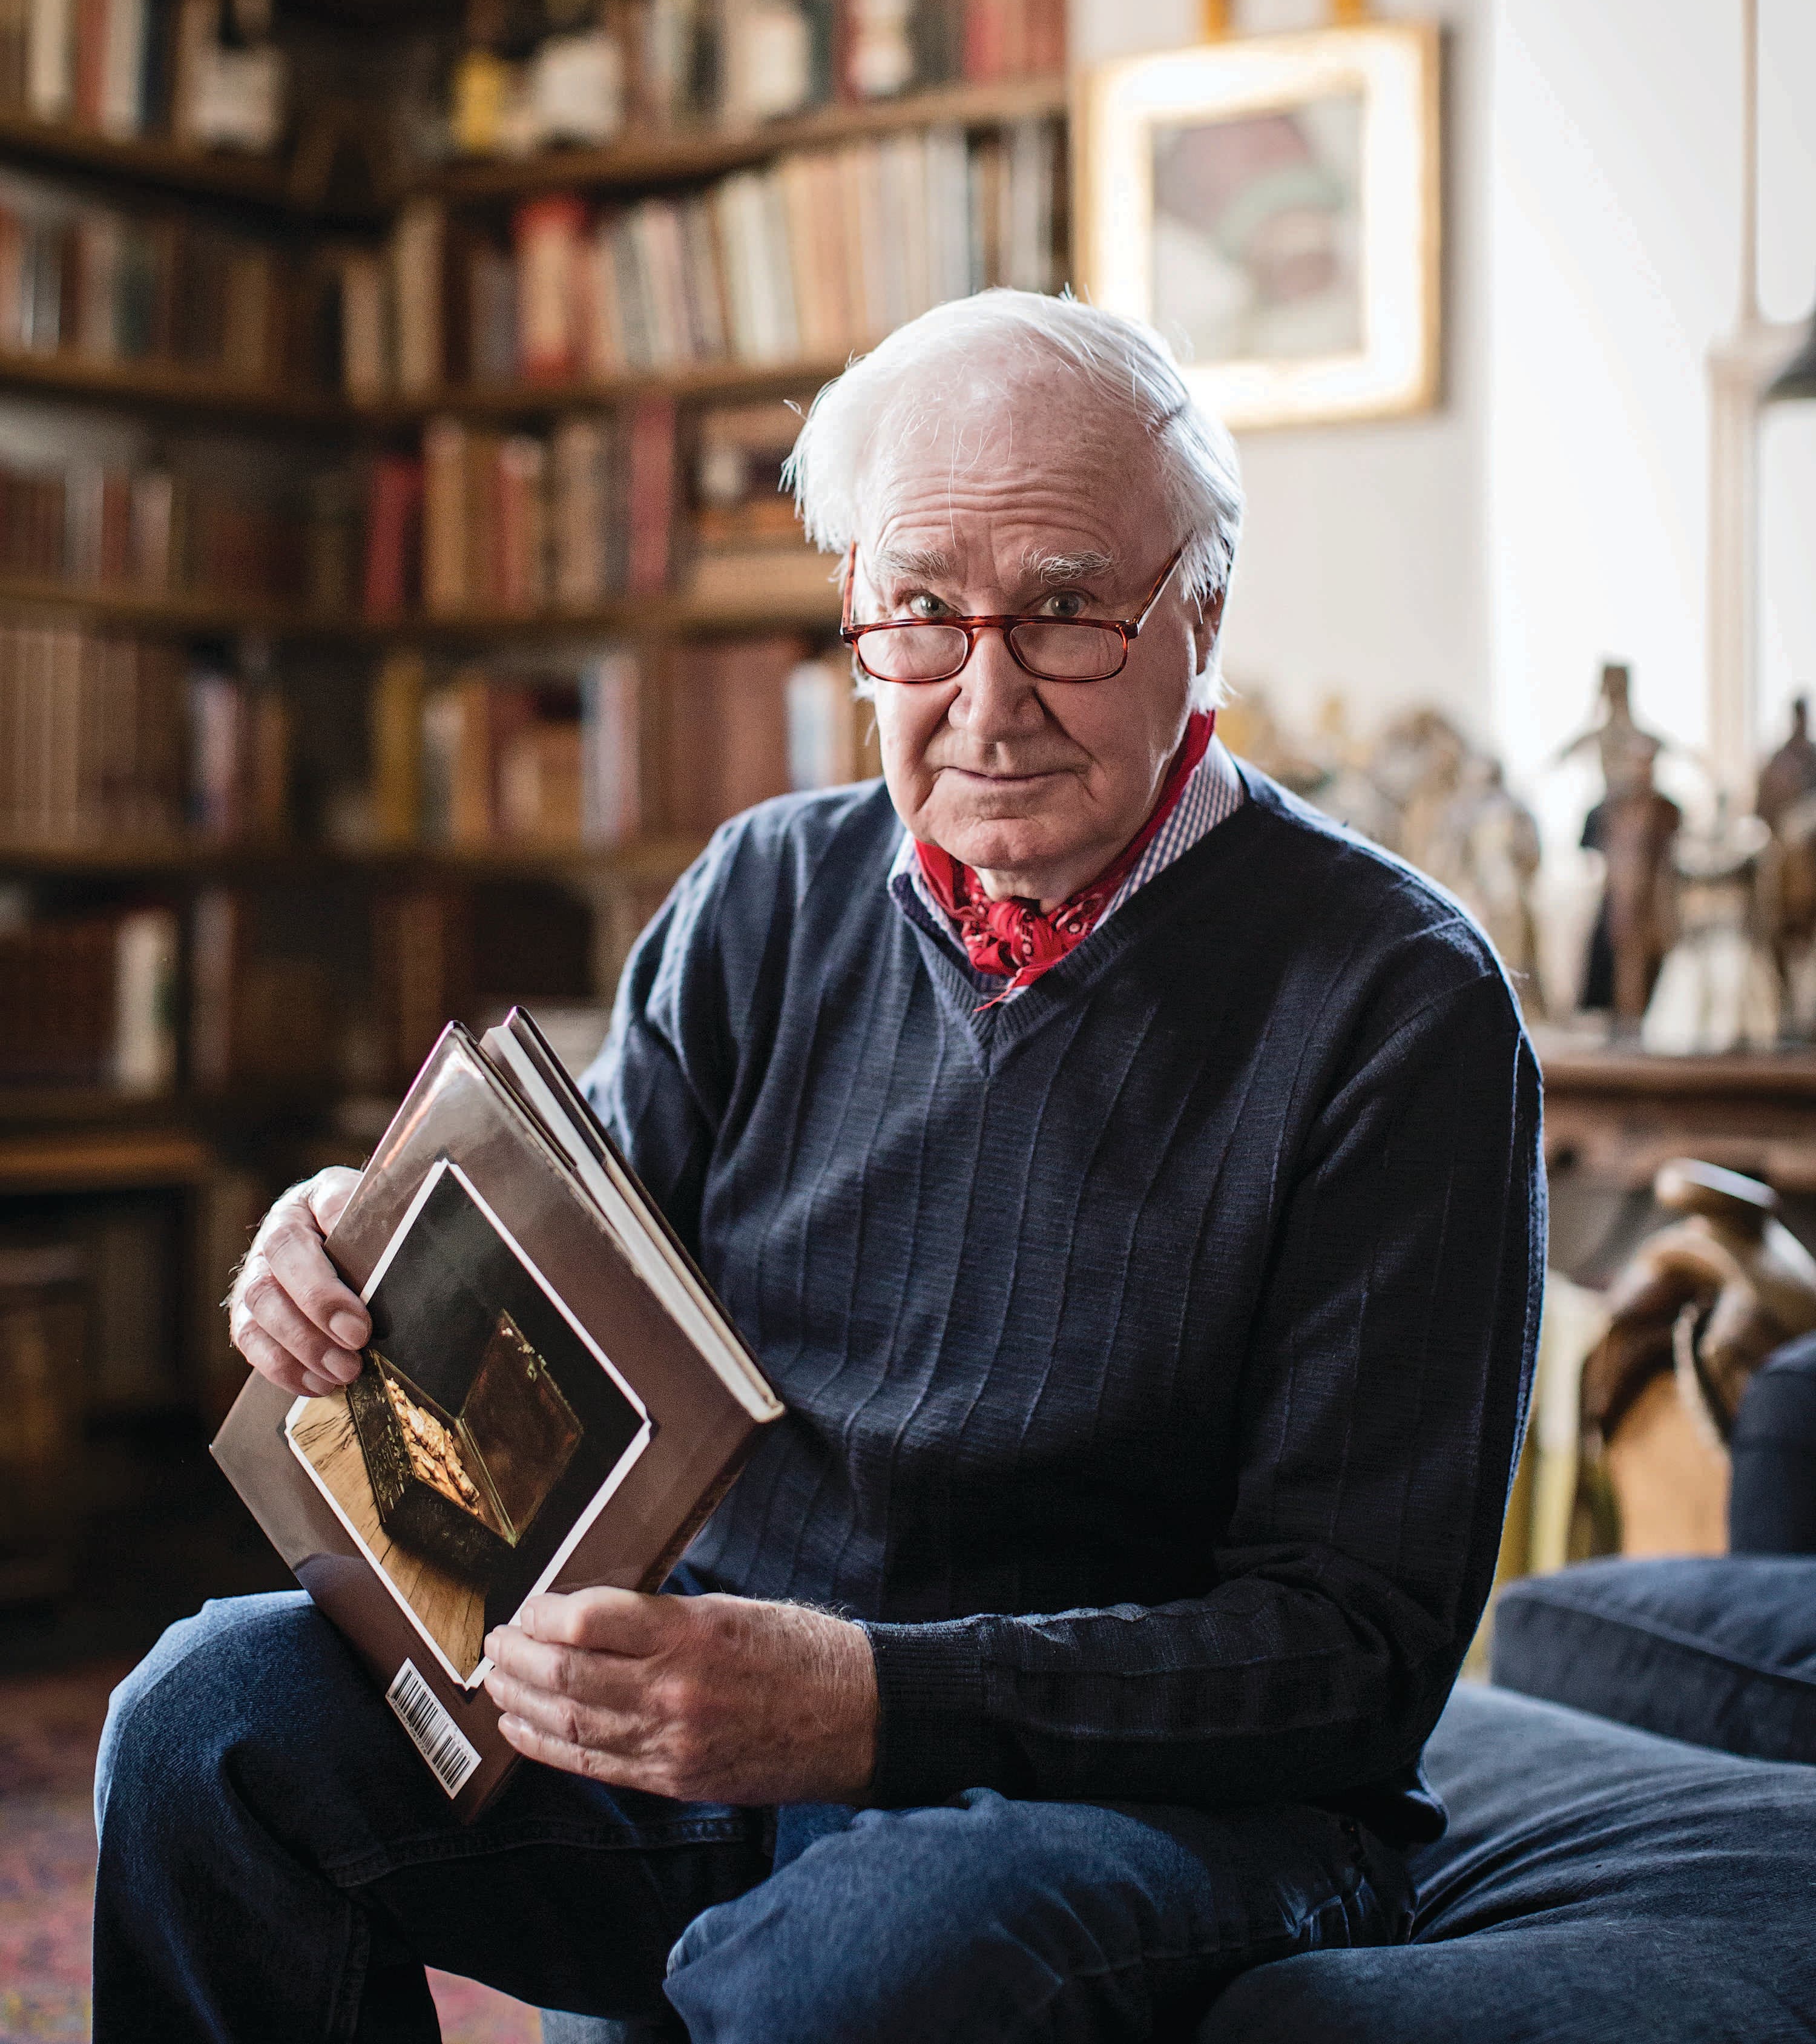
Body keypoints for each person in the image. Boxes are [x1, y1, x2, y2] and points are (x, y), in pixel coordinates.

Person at [93, 292, 1544, 2044]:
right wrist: (352, 1253)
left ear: (1205, 615)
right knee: (199, 1720)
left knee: (866, 1954)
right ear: (858, 616)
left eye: (1067, 608)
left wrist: (867, 1701)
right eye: (922, 612)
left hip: (1162, 1804)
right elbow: (559, 1319)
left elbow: (1355, 1657)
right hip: (718, 1726)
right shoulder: (759, 900)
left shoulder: (1402, 1007)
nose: (986, 698)